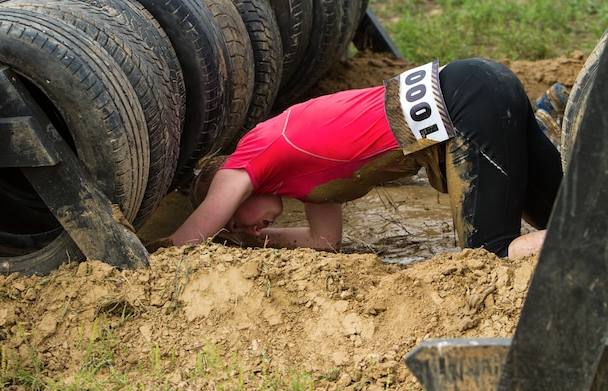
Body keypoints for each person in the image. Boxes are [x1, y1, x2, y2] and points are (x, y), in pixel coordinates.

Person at [161, 57, 564, 259]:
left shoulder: (253, 151)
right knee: (566, 216)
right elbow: (325, 241)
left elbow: (186, 241)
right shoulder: (304, 181)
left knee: (489, 254)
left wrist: (142, 255)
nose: (243, 228)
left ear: (228, 190)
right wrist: (260, 239)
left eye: (233, 221)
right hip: (481, 83)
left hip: (465, 103)